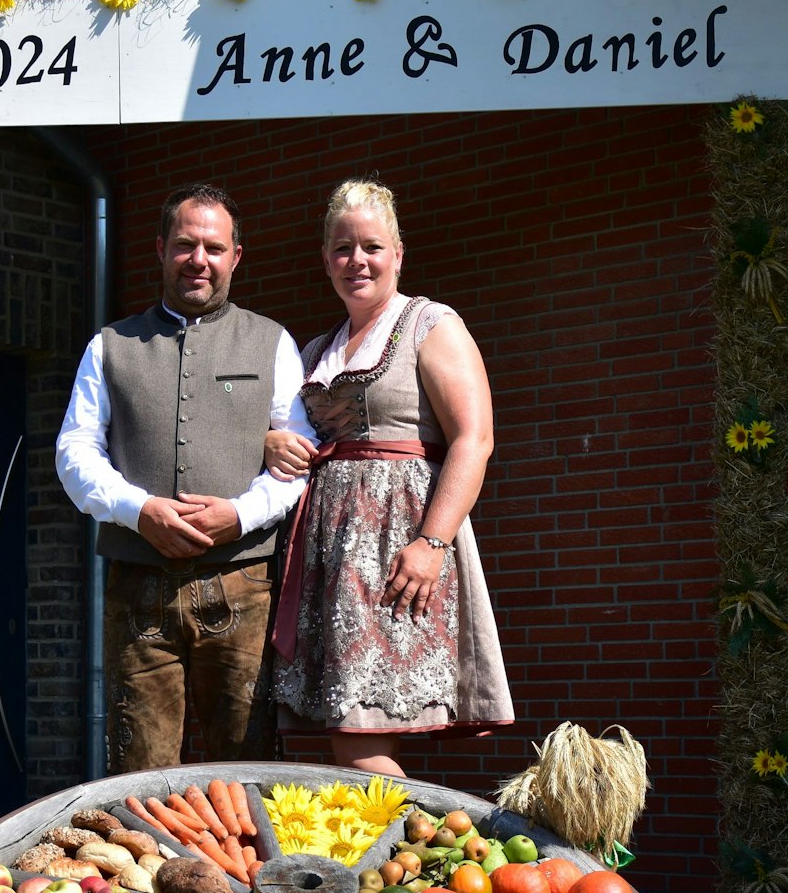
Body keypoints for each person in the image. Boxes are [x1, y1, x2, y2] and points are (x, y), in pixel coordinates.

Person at [56, 184, 316, 773]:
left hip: (243, 585)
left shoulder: (272, 342)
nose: (199, 259)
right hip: (138, 589)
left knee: (247, 769)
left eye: (214, 248)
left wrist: (239, 516)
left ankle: (252, 871)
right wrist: (137, 509)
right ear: (160, 249)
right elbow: (74, 451)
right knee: (138, 774)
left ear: (236, 256)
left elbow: (297, 459)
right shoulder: (109, 346)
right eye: (185, 245)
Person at [265, 179, 512, 777]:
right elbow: (293, 435)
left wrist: (432, 543)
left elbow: (474, 440)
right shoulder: (318, 349)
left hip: (400, 546)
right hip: (331, 553)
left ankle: (412, 863)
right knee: (346, 734)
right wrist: (273, 442)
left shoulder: (431, 324)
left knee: (362, 734)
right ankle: (400, 864)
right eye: (344, 249)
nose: (358, 261)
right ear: (326, 261)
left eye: (372, 247)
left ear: (397, 254)